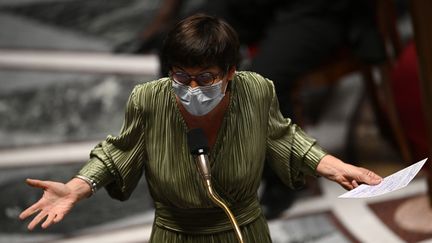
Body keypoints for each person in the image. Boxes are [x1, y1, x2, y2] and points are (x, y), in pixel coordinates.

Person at [20, 14, 382, 242]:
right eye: (181, 76)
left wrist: (336, 168)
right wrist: (77, 187)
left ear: (230, 73)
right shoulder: (150, 98)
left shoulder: (255, 91)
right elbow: (119, 151)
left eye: (205, 78)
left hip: (243, 229)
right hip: (176, 234)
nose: (191, 88)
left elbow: (283, 137)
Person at [115, 0, 387, 219]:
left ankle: (282, 179)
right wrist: (165, 18)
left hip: (315, 8)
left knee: (265, 80)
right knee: (178, 41)